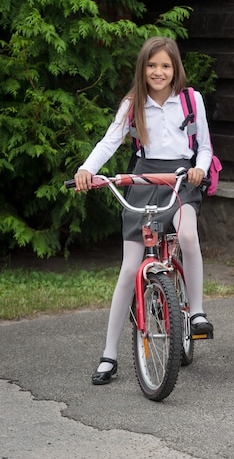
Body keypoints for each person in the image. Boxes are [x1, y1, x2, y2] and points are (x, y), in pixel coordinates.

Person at [74, 36, 214, 385]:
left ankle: (196, 312)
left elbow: (206, 148)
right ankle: (109, 354)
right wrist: (87, 169)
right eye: (152, 65)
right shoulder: (133, 103)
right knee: (128, 269)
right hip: (143, 179)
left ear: (175, 68)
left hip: (181, 180)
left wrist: (199, 168)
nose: (158, 72)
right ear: (143, 69)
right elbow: (111, 140)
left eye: (165, 65)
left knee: (187, 234)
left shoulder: (191, 101)